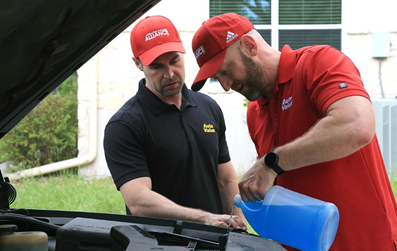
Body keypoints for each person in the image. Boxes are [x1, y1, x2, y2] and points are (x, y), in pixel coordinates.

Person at [190, 13, 397, 250]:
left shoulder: (318, 62)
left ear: (249, 46)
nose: (226, 86)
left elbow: (357, 124)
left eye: (225, 71)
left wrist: (270, 163)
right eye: (218, 79)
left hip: (364, 244)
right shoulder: (254, 112)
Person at [103, 15, 246, 230]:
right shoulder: (125, 126)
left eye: (174, 60)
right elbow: (139, 202)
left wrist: (239, 226)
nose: (170, 74)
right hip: (160, 244)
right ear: (138, 64)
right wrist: (203, 218)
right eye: (156, 66)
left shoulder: (209, 108)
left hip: (214, 240)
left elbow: (225, 179)